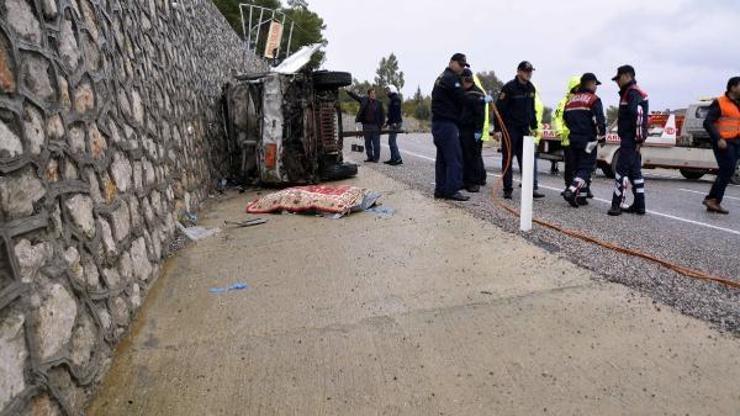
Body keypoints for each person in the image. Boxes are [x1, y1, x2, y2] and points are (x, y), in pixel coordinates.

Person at [495, 61, 545, 199]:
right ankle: (508, 189)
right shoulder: (509, 88)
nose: (529, 73)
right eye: (526, 71)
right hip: (510, 129)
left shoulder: (531, 88)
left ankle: (529, 190)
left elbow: (532, 110)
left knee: (526, 161)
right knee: (508, 159)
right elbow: (498, 110)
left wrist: (534, 127)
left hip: (524, 129)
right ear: (518, 72)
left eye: (530, 71)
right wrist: (498, 129)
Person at [608, 65, 649, 216]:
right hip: (633, 139)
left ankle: (616, 205)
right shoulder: (633, 92)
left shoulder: (632, 92)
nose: (617, 82)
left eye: (618, 78)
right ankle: (640, 205)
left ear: (626, 76)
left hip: (630, 139)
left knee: (621, 171)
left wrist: (638, 139)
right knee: (635, 173)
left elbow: (637, 115)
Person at [562, 73, 606, 207]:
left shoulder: (571, 100)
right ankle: (571, 190)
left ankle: (581, 197)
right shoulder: (593, 99)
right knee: (586, 168)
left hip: (573, 138)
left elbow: (565, 118)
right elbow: (600, 120)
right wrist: (602, 137)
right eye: (595, 84)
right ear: (590, 83)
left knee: (577, 167)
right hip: (589, 140)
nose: (596, 87)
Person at [430, 53, 470, 201]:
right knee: (454, 157)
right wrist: (480, 100)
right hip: (447, 123)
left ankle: (440, 190)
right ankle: (452, 190)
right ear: (451, 62)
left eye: (463, 66)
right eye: (460, 64)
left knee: (442, 159)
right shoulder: (450, 78)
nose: (461, 68)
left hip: (439, 123)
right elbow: (462, 98)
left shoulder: (442, 77)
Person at [702, 76, 740, 214]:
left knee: (727, 170)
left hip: (736, 142)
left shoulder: (738, 103)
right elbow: (708, 122)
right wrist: (718, 138)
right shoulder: (720, 102)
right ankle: (713, 200)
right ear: (733, 87)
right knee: (728, 169)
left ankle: (712, 199)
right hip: (723, 142)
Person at [553, 75, 582, 192]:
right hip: (568, 138)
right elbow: (557, 117)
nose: (581, 88)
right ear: (573, 87)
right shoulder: (564, 101)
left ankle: (582, 188)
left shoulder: (583, 100)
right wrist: (560, 130)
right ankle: (569, 187)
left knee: (582, 165)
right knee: (570, 165)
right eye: (579, 86)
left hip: (581, 138)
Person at [459, 68, 487, 192]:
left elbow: (480, 115)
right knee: (463, 156)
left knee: (473, 157)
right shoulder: (462, 91)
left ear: (466, 79)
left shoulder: (477, 93)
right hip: (462, 129)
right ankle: (464, 181)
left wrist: (478, 131)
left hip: (473, 129)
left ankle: (474, 182)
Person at [348, 87, 385, 163]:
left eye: (374, 93)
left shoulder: (379, 103)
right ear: (368, 94)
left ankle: (376, 158)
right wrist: (349, 92)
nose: (373, 95)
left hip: (375, 126)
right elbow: (356, 97)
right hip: (366, 125)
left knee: (376, 144)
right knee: (367, 143)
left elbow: (382, 115)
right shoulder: (364, 100)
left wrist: (381, 125)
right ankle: (370, 157)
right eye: (372, 93)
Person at [384, 85, 404, 165]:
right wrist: (387, 123)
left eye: (388, 90)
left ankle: (398, 159)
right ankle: (393, 158)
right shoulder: (393, 99)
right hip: (393, 122)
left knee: (392, 141)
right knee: (391, 141)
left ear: (392, 90)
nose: (387, 92)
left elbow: (396, 112)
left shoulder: (396, 99)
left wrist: (394, 122)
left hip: (396, 123)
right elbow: (391, 114)